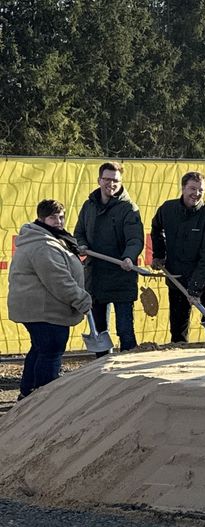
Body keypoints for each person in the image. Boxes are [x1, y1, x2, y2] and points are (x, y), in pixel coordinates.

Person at [8, 200, 93, 399]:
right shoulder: (43, 245)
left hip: (38, 308)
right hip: (44, 310)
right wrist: (81, 299)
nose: (58, 221)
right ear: (41, 219)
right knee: (51, 349)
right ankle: (44, 398)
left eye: (61, 216)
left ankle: (28, 393)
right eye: (53, 217)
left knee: (40, 349)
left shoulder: (47, 239)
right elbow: (59, 281)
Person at [74, 161, 144, 357]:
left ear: (120, 182)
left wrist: (129, 257)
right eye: (107, 179)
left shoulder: (128, 208)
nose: (111, 184)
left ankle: (131, 370)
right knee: (99, 331)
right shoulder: (89, 206)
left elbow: (135, 239)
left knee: (125, 330)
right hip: (95, 276)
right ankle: (102, 373)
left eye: (115, 180)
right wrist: (82, 245)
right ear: (99, 180)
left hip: (122, 275)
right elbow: (79, 232)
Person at [150, 171, 205, 346]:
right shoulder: (167, 209)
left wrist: (195, 288)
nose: (196, 194)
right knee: (178, 328)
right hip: (177, 277)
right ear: (183, 188)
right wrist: (159, 255)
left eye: (201, 190)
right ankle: (179, 358)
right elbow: (156, 228)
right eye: (192, 188)